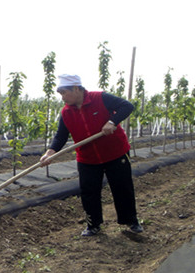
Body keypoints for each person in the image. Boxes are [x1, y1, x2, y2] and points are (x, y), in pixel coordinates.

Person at [40, 74, 143, 237]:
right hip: (87, 158)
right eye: (60, 94)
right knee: (89, 192)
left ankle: (131, 220)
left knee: (122, 187)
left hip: (115, 152)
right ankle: (93, 225)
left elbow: (127, 106)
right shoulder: (66, 112)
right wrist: (50, 153)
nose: (63, 98)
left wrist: (112, 122)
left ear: (76, 88)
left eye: (64, 93)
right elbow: (61, 136)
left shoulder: (100, 98)